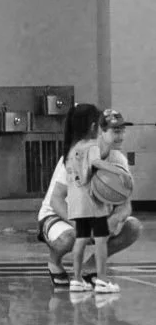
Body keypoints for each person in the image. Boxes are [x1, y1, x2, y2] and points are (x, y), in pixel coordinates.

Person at [40, 107, 141, 288]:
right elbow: (56, 200)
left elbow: (126, 206)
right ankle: (54, 262)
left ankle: (91, 268)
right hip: (58, 215)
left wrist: (115, 218)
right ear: (99, 131)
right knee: (73, 236)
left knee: (132, 227)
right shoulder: (76, 156)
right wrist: (78, 224)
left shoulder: (118, 159)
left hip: (95, 215)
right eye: (116, 131)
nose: (122, 136)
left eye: (122, 131)